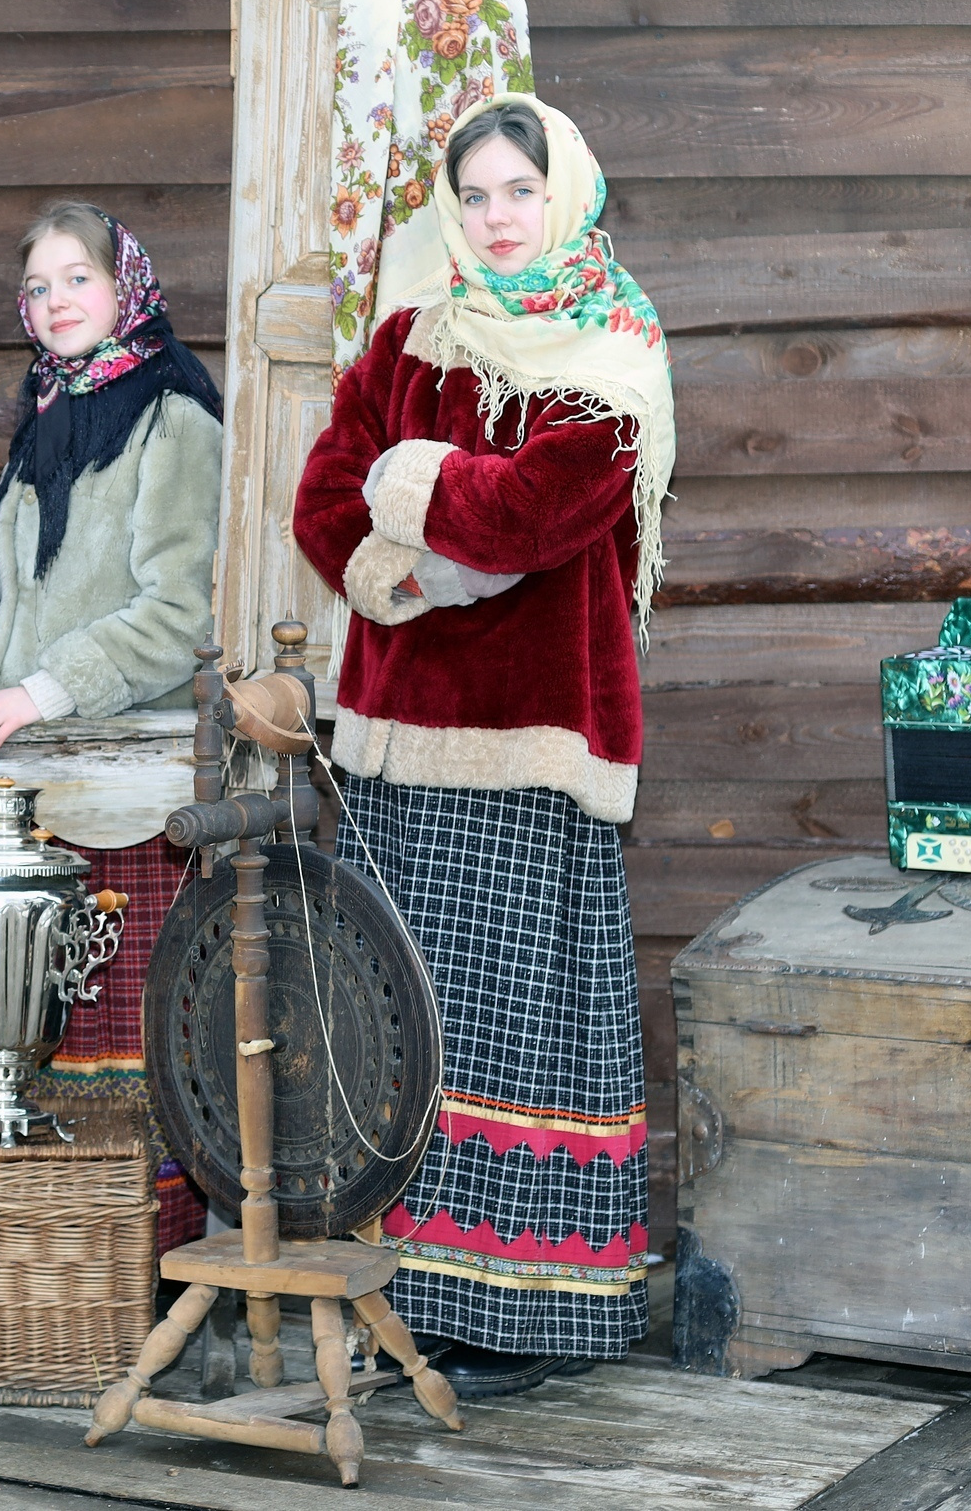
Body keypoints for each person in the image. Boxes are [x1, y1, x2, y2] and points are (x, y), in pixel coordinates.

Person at [290, 93, 672, 1398]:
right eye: (479, 197)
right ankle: (420, 1303)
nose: (500, 218)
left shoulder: (611, 354)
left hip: (531, 743)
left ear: (562, 195)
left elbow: (531, 513)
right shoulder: (411, 334)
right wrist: (396, 572)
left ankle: (527, 1317)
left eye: (521, 190)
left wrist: (412, 483)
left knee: (515, 1019)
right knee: (410, 1027)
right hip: (397, 741)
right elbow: (322, 493)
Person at [0, 201, 222, 1245]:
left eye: (78, 280)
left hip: (124, 794)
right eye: (39, 287)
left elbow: (176, 610)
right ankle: (36, 1267)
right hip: (26, 785)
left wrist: (45, 690)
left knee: (118, 1040)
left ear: (127, 288)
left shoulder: (171, 417)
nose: (56, 302)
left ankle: (133, 1262)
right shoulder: (48, 420)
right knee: (14, 1031)